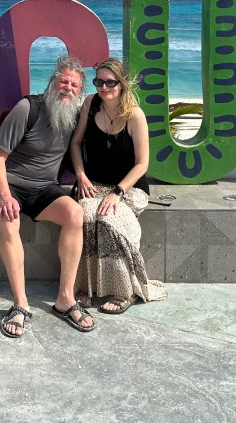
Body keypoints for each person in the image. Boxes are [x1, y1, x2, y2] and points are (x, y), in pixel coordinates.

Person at [0, 54, 96, 338]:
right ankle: (20, 304)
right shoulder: (28, 108)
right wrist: (5, 196)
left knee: (75, 213)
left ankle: (65, 299)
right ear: (52, 82)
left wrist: (83, 176)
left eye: (74, 85)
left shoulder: (74, 117)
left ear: (79, 92)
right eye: (63, 81)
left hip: (43, 186)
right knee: (9, 220)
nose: (67, 88)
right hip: (8, 183)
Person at [69, 57, 167, 314]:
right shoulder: (90, 104)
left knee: (108, 220)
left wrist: (117, 192)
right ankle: (86, 286)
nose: (104, 87)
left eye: (110, 82)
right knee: (85, 215)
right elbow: (76, 143)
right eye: (98, 82)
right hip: (93, 184)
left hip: (128, 188)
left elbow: (142, 164)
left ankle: (125, 291)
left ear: (122, 84)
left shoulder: (134, 115)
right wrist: (80, 175)